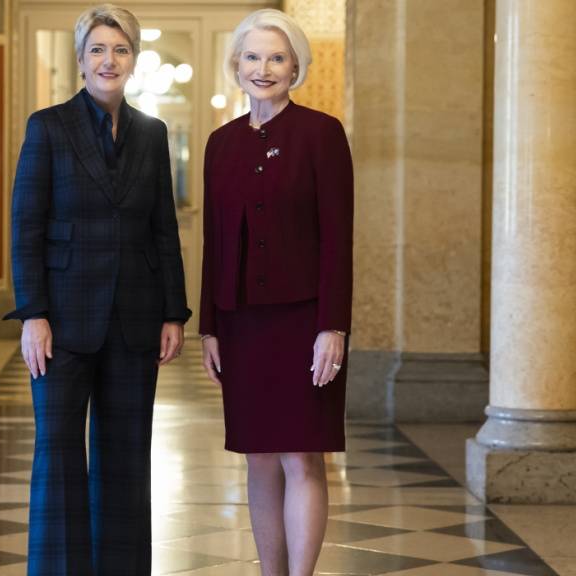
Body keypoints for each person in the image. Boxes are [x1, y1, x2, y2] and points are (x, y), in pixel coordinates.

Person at [3, 4, 191, 574]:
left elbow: (164, 229)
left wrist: (174, 313)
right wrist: (33, 313)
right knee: (58, 455)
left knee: (125, 459)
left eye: (121, 49)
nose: (109, 60)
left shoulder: (152, 133)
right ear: (81, 61)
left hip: (134, 320)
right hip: (61, 322)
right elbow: (26, 225)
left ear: (133, 59)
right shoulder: (48, 126)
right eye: (98, 50)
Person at [198, 8, 354, 576]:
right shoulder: (220, 144)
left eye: (277, 58)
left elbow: (339, 238)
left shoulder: (322, 134)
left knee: (300, 455)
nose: (264, 68)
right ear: (236, 66)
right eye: (253, 57)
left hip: (304, 322)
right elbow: (214, 241)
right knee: (257, 457)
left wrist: (332, 327)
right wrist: (210, 327)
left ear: (296, 68)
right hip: (241, 325)